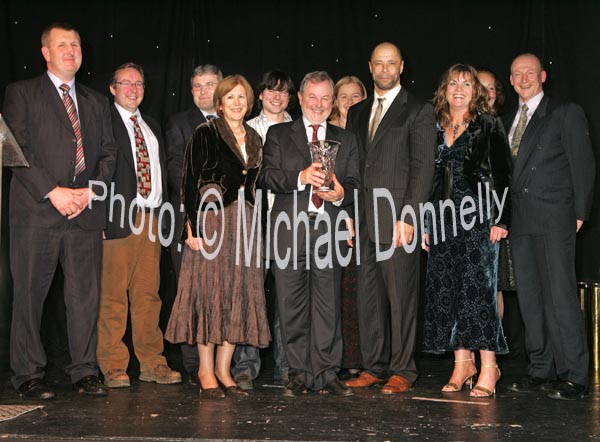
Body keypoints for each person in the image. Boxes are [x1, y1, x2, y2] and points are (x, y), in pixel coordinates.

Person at [3, 22, 117, 398]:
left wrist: (88, 193)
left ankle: (84, 371)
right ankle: (28, 374)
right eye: (62, 44)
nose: (71, 50)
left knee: (84, 298)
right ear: (46, 53)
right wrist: (53, 191)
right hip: (38, 213)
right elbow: (16, 151)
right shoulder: (21, 93)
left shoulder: (97, 101)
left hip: (83, 214)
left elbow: (109, 155)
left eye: (76, 44)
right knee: (30, 297)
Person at [165, 75, 270, 399]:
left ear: (249, 103)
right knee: (210, 296)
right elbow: (189, 181)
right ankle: (205, 371)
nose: (237, 103)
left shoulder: (253, 137)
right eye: (231, 98)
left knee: (237, 296)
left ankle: (225, 371)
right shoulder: (205, 133)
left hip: (246, 224)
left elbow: (254, 185)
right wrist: (190, 226)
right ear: (220, 102)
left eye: (242, 98)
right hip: (212, 221)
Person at [259, 71, 361, 397]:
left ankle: (327, 372)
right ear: (300, 99)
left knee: (328, 305)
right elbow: (266, 177)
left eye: (325, 98)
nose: (318, 104)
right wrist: (301, 176)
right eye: (312, 97)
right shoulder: (277, 134)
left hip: (329, 230)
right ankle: (299, 373)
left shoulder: (348, 139)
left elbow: (358, 187)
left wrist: (342, 195)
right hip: (289, 230)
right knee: (291, 306)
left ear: (333, 103)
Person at [345, 42, 437, 394]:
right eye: (379, 64)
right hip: (365, 219)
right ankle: (374, 366)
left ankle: (403, 369)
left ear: (401, 67)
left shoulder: (418, 109)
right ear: (370, 67)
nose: (385, 70)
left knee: (401, 299)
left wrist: (409, 216)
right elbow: (354, 167)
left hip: (399, 220)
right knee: (368, 297)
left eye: (391, 64)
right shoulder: (358, 111)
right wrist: (350, 215)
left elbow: (423, 168)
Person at [504, 53, 595, 401]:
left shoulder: (565, 112)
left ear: (542, 76)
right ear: (511, 80)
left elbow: (582, 164)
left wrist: (580, 212)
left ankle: (574, 373)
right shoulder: (507, 118)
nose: (524, 78)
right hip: (520, 220)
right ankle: (540, 369)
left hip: (555, 216)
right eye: (517, 74)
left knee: (560, 296)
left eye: (530, 72)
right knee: (530, 299)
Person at [422, 63, 512, 398]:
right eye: (452, 84)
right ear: (444, 90)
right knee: (448, 291)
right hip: (444, 221)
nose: (459, 89)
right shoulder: (435, 127)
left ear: (475, 90)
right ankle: (463, 364)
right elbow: (431, 182)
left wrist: (501, 219)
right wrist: (428, 223)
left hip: (479, 219)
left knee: (479, 293)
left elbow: (503, 174)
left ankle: (489, 367)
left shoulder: (488, 124)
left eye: (466, 84)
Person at [96, 62, 181, 388]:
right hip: (118, 218)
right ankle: (114, 365)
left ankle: (152, 362)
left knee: (149, 296)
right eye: (125, 84)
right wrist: (101, 216)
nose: (133, 89)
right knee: (113, 297)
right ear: (113, 89)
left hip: (151, 220)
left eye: (139, 84)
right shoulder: (104, 122)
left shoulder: (153, 125)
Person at [233, 70, 295, 389]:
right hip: (253, 220)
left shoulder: (298, 131)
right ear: (260, 94)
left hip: (288, 222)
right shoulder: (245, 130)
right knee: (250, 293)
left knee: (287, 295)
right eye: (271, 90)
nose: (276, 96)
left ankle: (286, 366)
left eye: (283, 92)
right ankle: (245, 364)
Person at [164, 64, 222, 385]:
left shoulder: (231, 120)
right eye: (197, 86)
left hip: (227, 224)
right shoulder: (179, 123)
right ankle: (192, 366)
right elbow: (175, 169)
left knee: (219, 293)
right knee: (191, 294)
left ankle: (220, 365)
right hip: (192, 219)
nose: (203, 91)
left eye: (210, 84)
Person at [328, 75, 367, 379]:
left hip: (361, 218)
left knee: (355, 291)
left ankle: (355, 358)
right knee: (330, 291)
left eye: (357, 97)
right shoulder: (324, 135)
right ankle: (331, 356)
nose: (350, 102)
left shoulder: (368, 132)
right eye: (344, 96)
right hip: (324, 222)